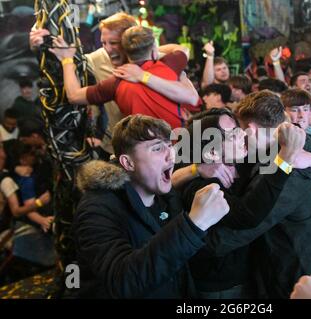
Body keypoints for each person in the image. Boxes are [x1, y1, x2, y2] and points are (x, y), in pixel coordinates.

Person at [200, 91, 311, 298]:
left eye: (239, 131)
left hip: (309, 269)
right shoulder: (295, 142)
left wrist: (194, 242)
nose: (239, 138)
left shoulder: (286, 169)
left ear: (251, 130)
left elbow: (252, 223)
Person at [72, 114, 230, 298]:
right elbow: (123, 281)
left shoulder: (166, 197)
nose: (170, 155)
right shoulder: (96, 210)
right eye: (157, 148)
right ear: (128, 162)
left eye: (169, 146)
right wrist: (193, 225)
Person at [31, 12, 197, 156]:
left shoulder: (157, 60)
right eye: (104, 43)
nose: (108, 49)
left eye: (114, 43)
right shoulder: (98, 60)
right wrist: (43, 42)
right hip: (119, 149)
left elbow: (190, 93)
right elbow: (66, 60)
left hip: (171, 145)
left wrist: (143, 76)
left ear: (129, 39)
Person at [49, 26, 199, 130]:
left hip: (144, 152)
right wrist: (147, 48)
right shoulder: (170, 64)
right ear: (153, 50)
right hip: (182, 146)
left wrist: (67, 60)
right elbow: (181, 49)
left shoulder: (115, 83)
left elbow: (74, 96)